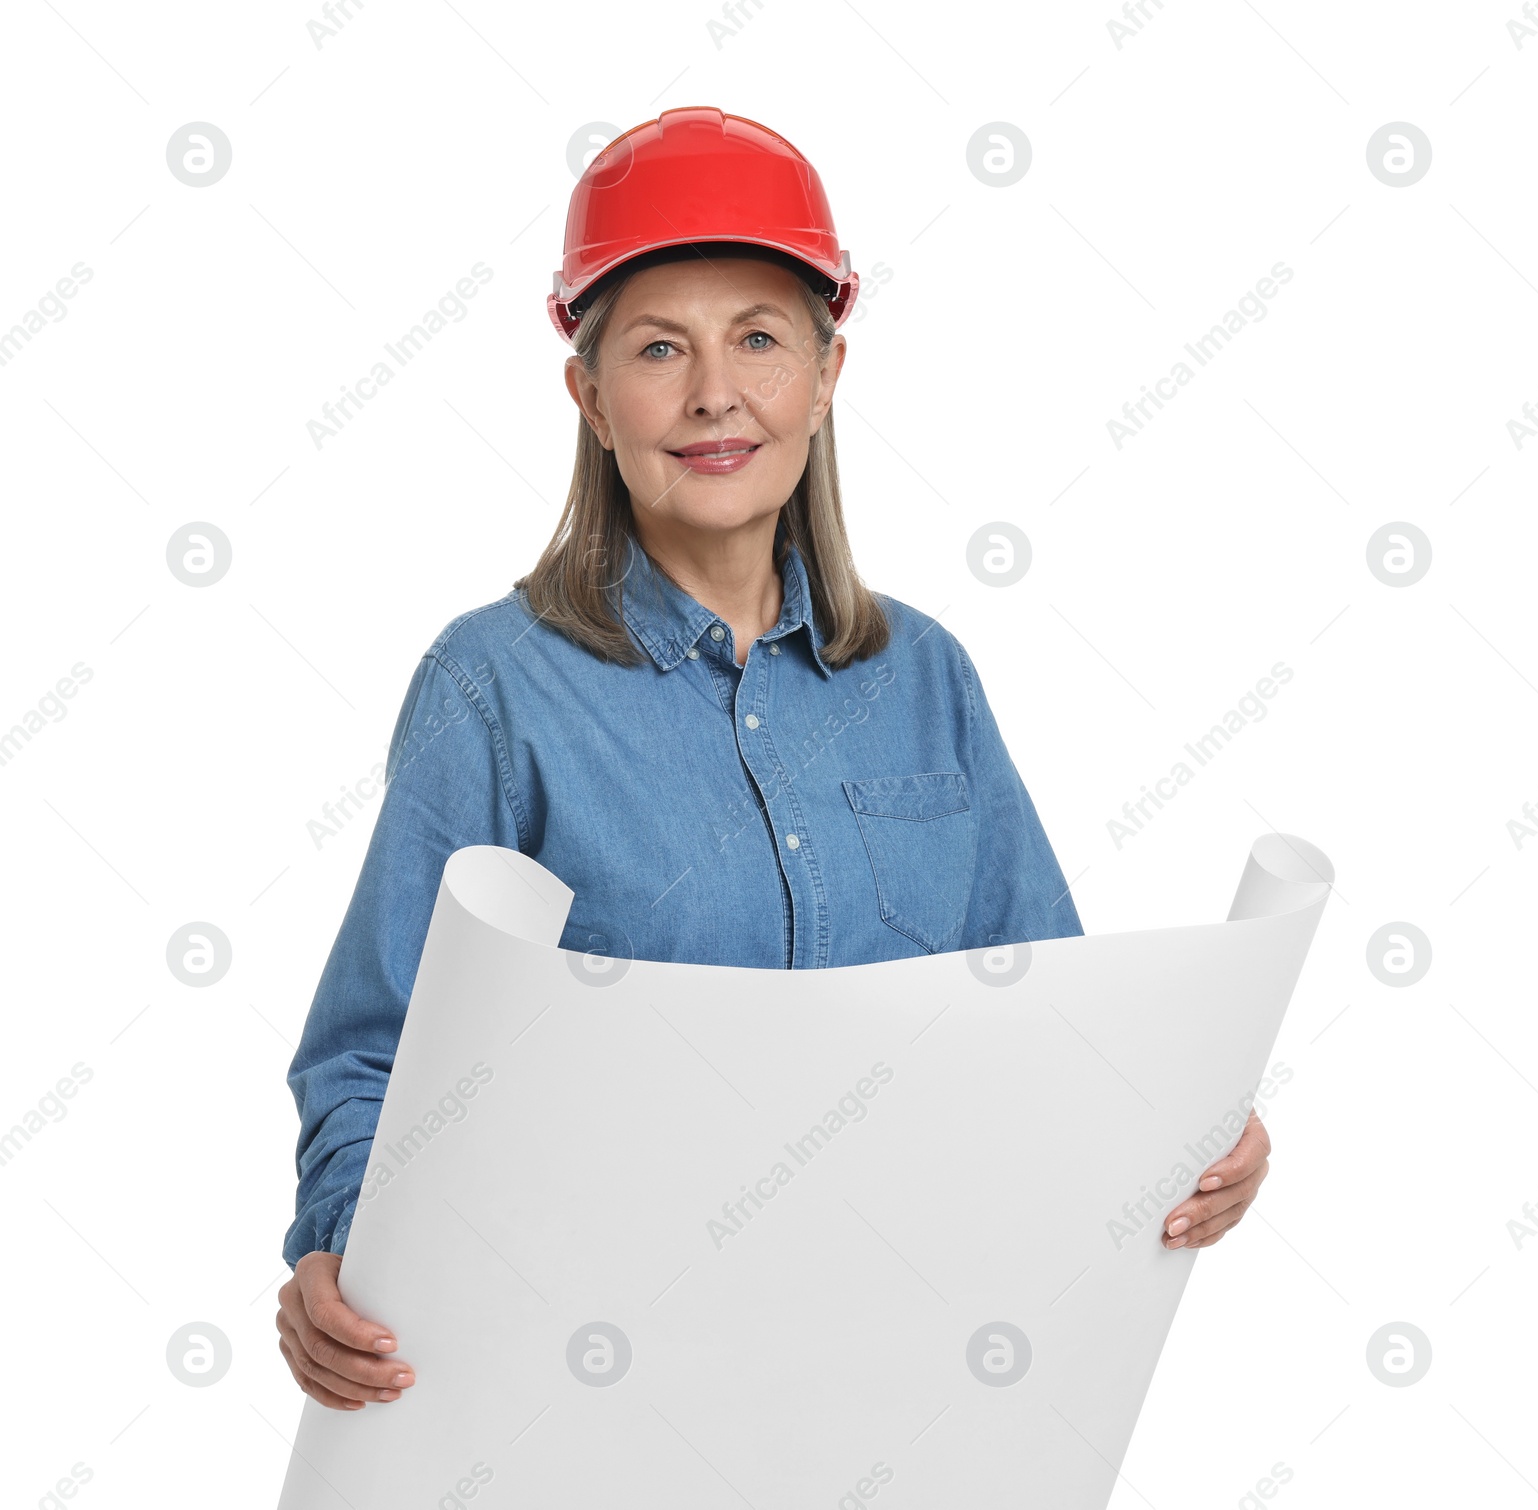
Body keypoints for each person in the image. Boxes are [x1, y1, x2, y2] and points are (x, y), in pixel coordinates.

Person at [275, 106, 1270, 1412]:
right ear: (588, 392)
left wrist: (1186, 1126)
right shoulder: (495, 689)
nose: (713, 396)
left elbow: (1050, 1020)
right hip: (586, 1394)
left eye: (757, 338)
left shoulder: (926, 682)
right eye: (657, 348)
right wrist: (342, 1247)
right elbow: (372, 1051)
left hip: (898, 1383)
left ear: (826, 371)